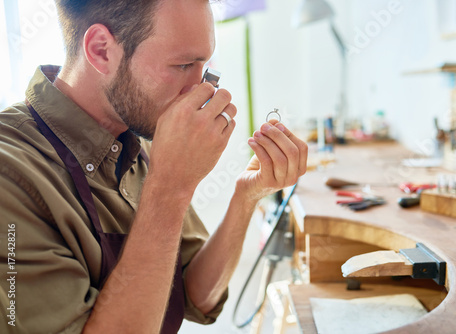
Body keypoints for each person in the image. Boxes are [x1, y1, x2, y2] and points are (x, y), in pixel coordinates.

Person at [0, 0, 307, 333]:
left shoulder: (138, 133)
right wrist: (170, 187)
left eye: (204, 67)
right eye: (183, 64)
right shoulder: (11, 176)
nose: (201, 90)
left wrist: (247, 195)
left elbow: (196, 296)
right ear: (101, 50)